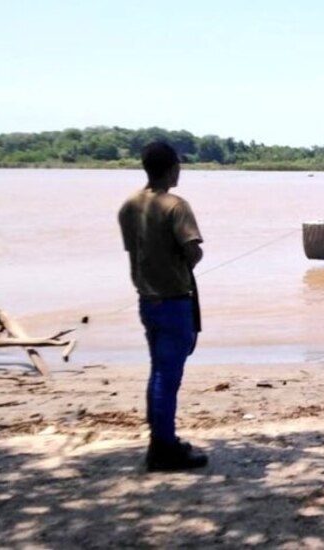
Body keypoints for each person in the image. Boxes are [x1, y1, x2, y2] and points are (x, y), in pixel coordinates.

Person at [118, 142, 208, 471]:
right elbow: (194, 252)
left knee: (158, 372)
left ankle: (161, 438)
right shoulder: (175, 205)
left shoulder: (129, 206)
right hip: (173, 301)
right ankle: (163, 448)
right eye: (178, 165)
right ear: (171, 168)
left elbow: (135, 251)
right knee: (168, 378)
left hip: (147, 301)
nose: (180, 170)